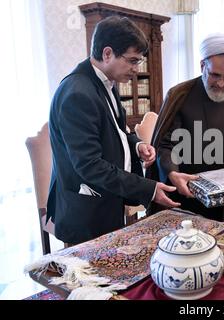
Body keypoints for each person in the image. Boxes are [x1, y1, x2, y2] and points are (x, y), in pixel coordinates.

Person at [47, 16, 179, 245]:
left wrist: (137, 145)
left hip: (107, 201)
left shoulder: (105, 82)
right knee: (93, 279)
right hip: (86, 214)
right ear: (107, 53)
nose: (136, 70)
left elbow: (118, 131)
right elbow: (89, 165)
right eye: (132, 61)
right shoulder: (77, 93)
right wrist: (148, 188)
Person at [151, 33, 224, 228]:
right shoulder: (179, 95)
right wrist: (172, 173)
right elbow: (166, 144)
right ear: (202, 66)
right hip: (190, 191)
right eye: (215, 75)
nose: (221, 83)